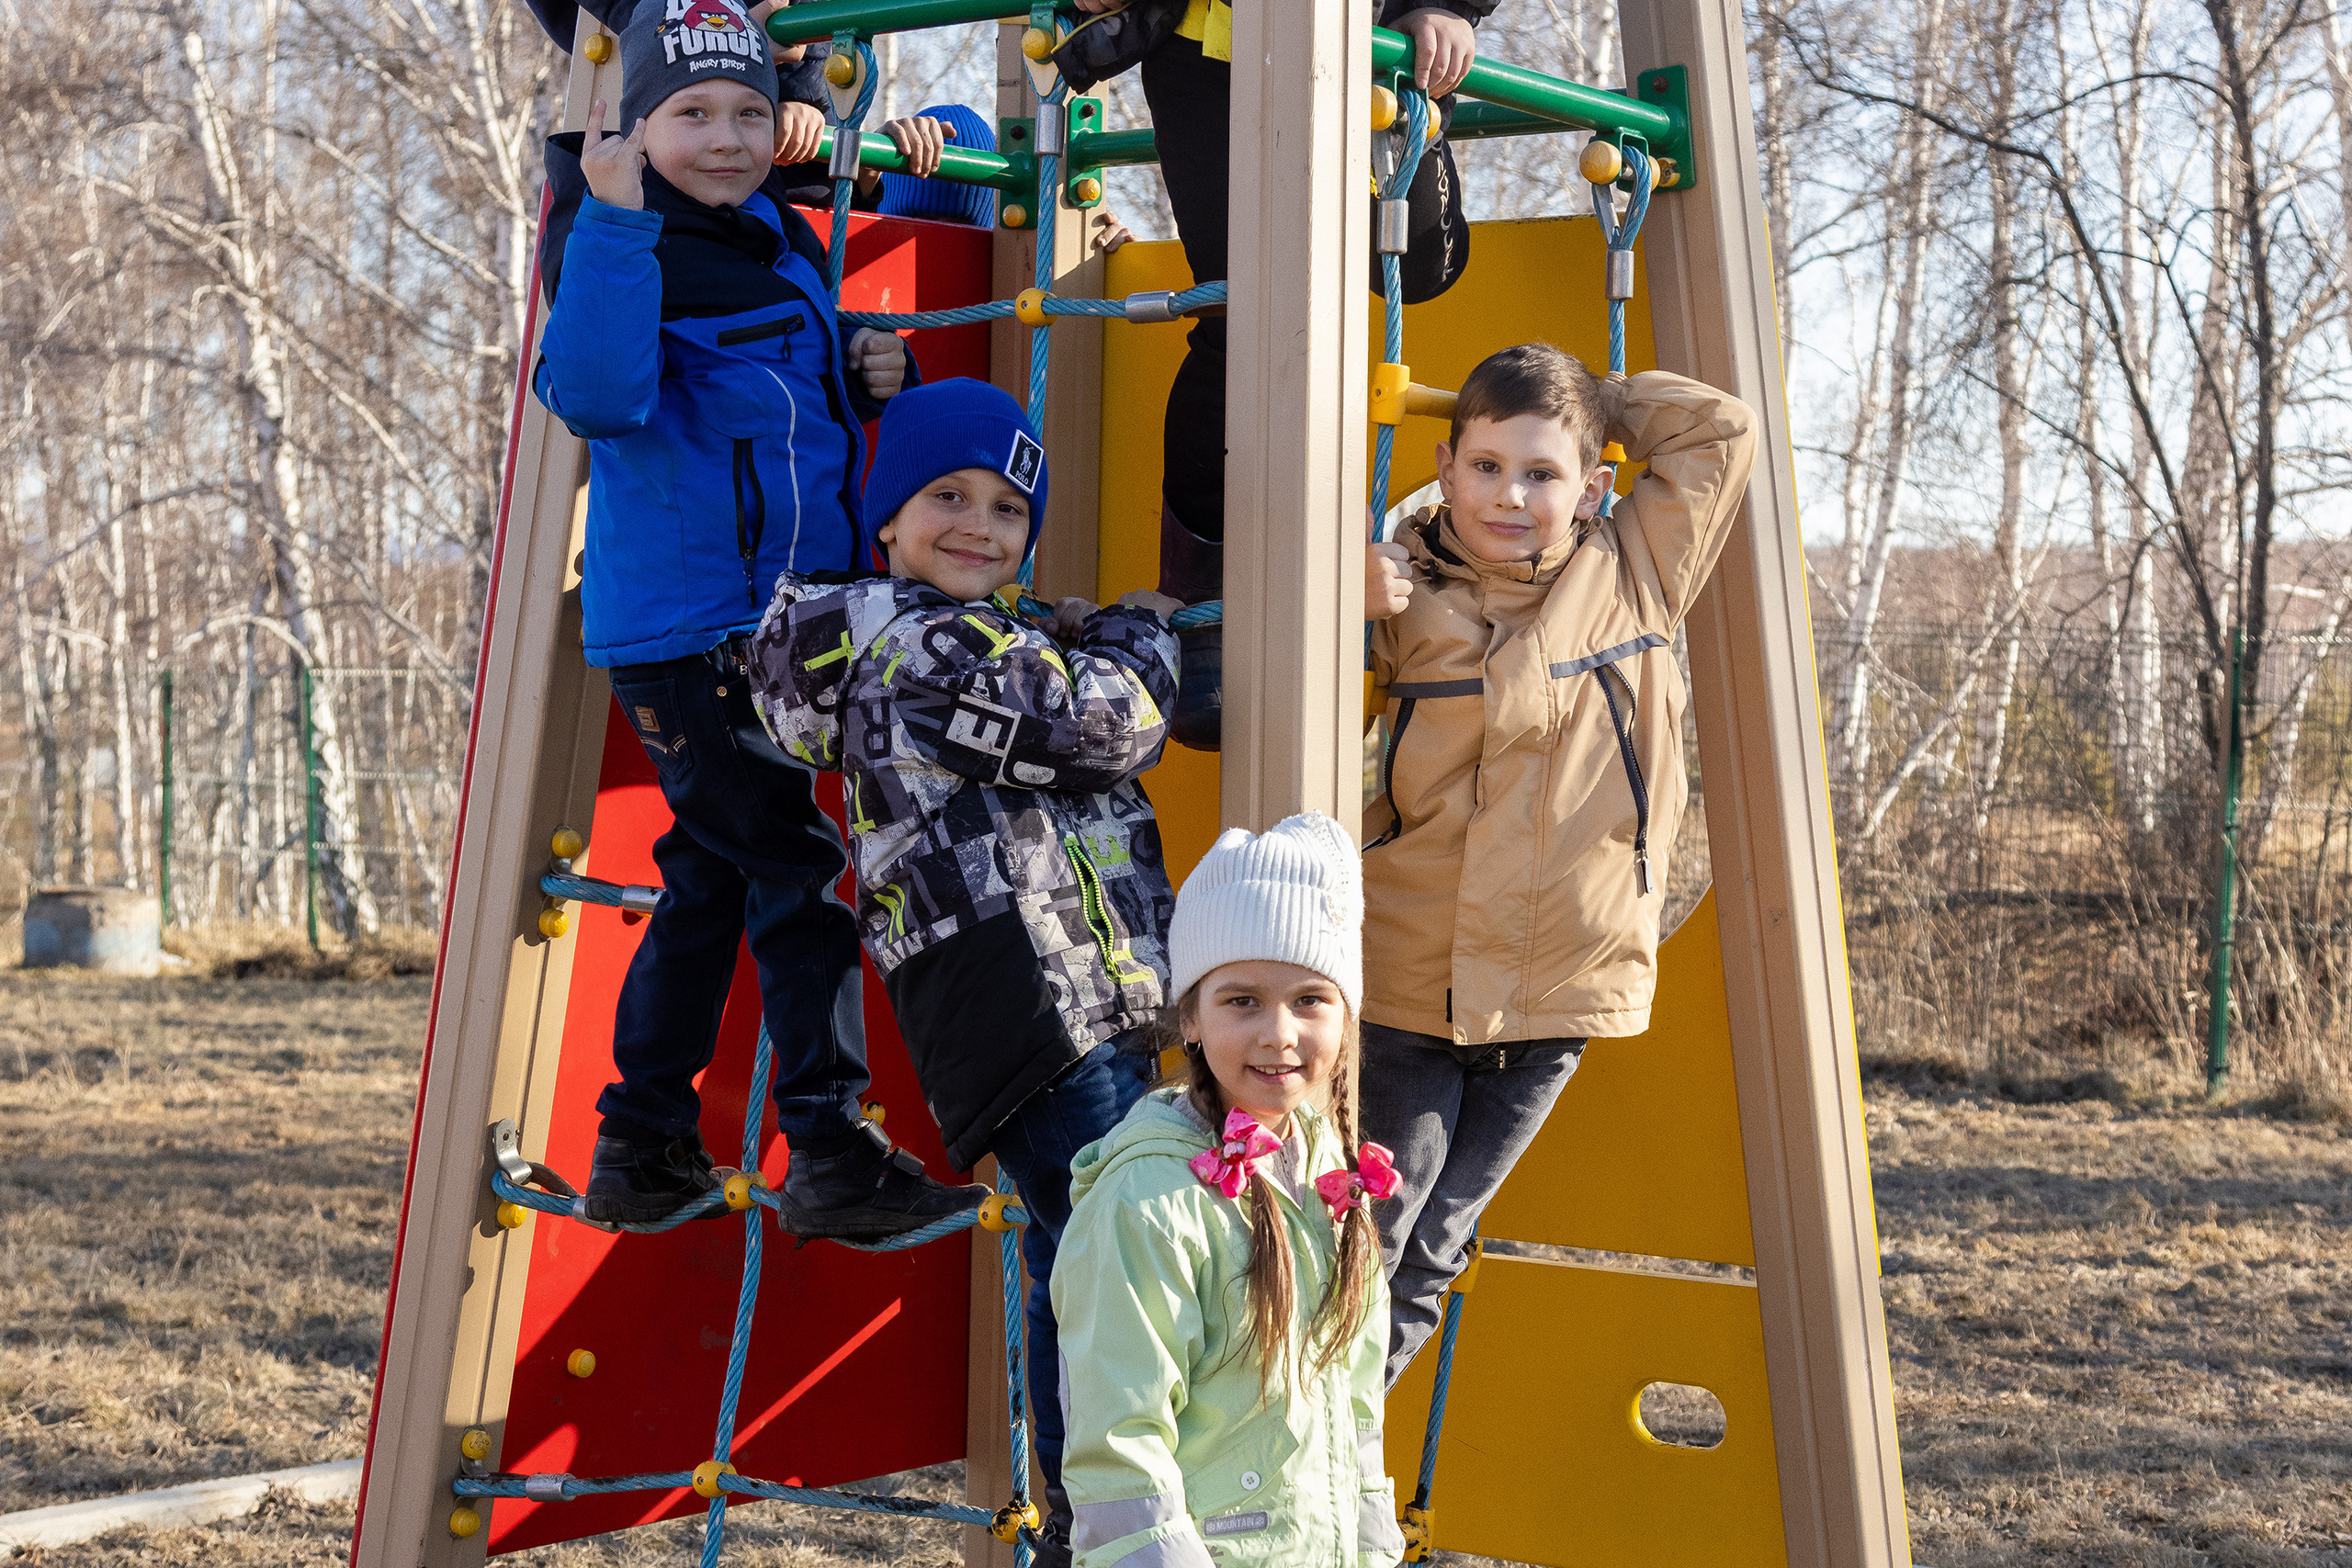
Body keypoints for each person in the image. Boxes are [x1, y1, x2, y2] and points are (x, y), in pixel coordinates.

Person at [530, 0, 988, 1239]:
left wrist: (857, 362)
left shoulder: (773, 233)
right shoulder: (618, 238)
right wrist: (615, 213)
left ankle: (641, 1139)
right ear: (634, 130)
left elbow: (774, 398)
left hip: (781, 621)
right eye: (691, 115)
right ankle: (834, 1146)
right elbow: (601, 395)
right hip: (699, 633)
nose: (726, 137)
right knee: (799, 872)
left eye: (744, 112)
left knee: (709, 881)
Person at [745, 378, 1184, 1567]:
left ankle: (1085, 1515)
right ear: (885, 518)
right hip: (1028, 991)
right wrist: (1143, 626)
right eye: (947, 496)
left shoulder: (959, 634)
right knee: (1106, 1252)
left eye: (1006, 506)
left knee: (1074, 1252)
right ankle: (1101, 1519)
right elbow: (1105, 724)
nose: (979, 524)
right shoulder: (920, 644)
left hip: (1064, 988)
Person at [1356, 344, 1758, 1387]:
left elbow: (1721, 430)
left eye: (1542, 474)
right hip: (1408, 975)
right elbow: (1272, 690)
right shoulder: (1399, 592)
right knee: (1368, 1249)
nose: (1510, 495)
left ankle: (1333, 1480)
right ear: (1444, 469)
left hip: (1556, 988)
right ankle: (1289, 1475)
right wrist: (1345, 597)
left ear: (1592, 486)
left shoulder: (1636, 573)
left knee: (1433, 1254)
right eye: (1486, 466)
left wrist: (1598, 402)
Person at [1057, 0, 1490, 750]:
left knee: (1423, 267)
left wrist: (1446, 8)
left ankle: (1401, 127)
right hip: (1214, 42)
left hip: (1372, 37)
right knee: (1242, 312)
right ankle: (1199, 595)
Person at [1055, 811, 1406, 1568]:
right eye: (1241, 1000)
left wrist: (1374, 1547)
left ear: (1347, 1016)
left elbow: (1356, 1403)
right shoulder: (1149, 1201)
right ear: (1190, 1015)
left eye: (1310, 998)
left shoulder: (1331, 1177)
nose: (1278, 1033)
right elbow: (1120, 1444)